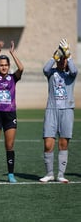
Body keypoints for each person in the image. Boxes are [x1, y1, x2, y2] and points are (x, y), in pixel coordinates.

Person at [0, 40, 24, 183]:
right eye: (1, 65)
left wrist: (12, 53)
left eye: (6, 65)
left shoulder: (13, 78)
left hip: (10, 114)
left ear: (9, 66)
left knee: (9, 146)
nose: (4, 67)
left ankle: (10, 174)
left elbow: (21, 68)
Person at [40, 38, 77, 183]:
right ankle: (49, 174)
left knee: (63, 143)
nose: (61, 61)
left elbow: (75, 70)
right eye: (59, 59)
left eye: (64, 59)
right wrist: (54, 56)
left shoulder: (70, 75)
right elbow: (45, 69)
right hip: (51, 110)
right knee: (48, 143)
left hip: (67, 110)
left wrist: (69, 55)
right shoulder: (51, 73)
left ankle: (61, 174)